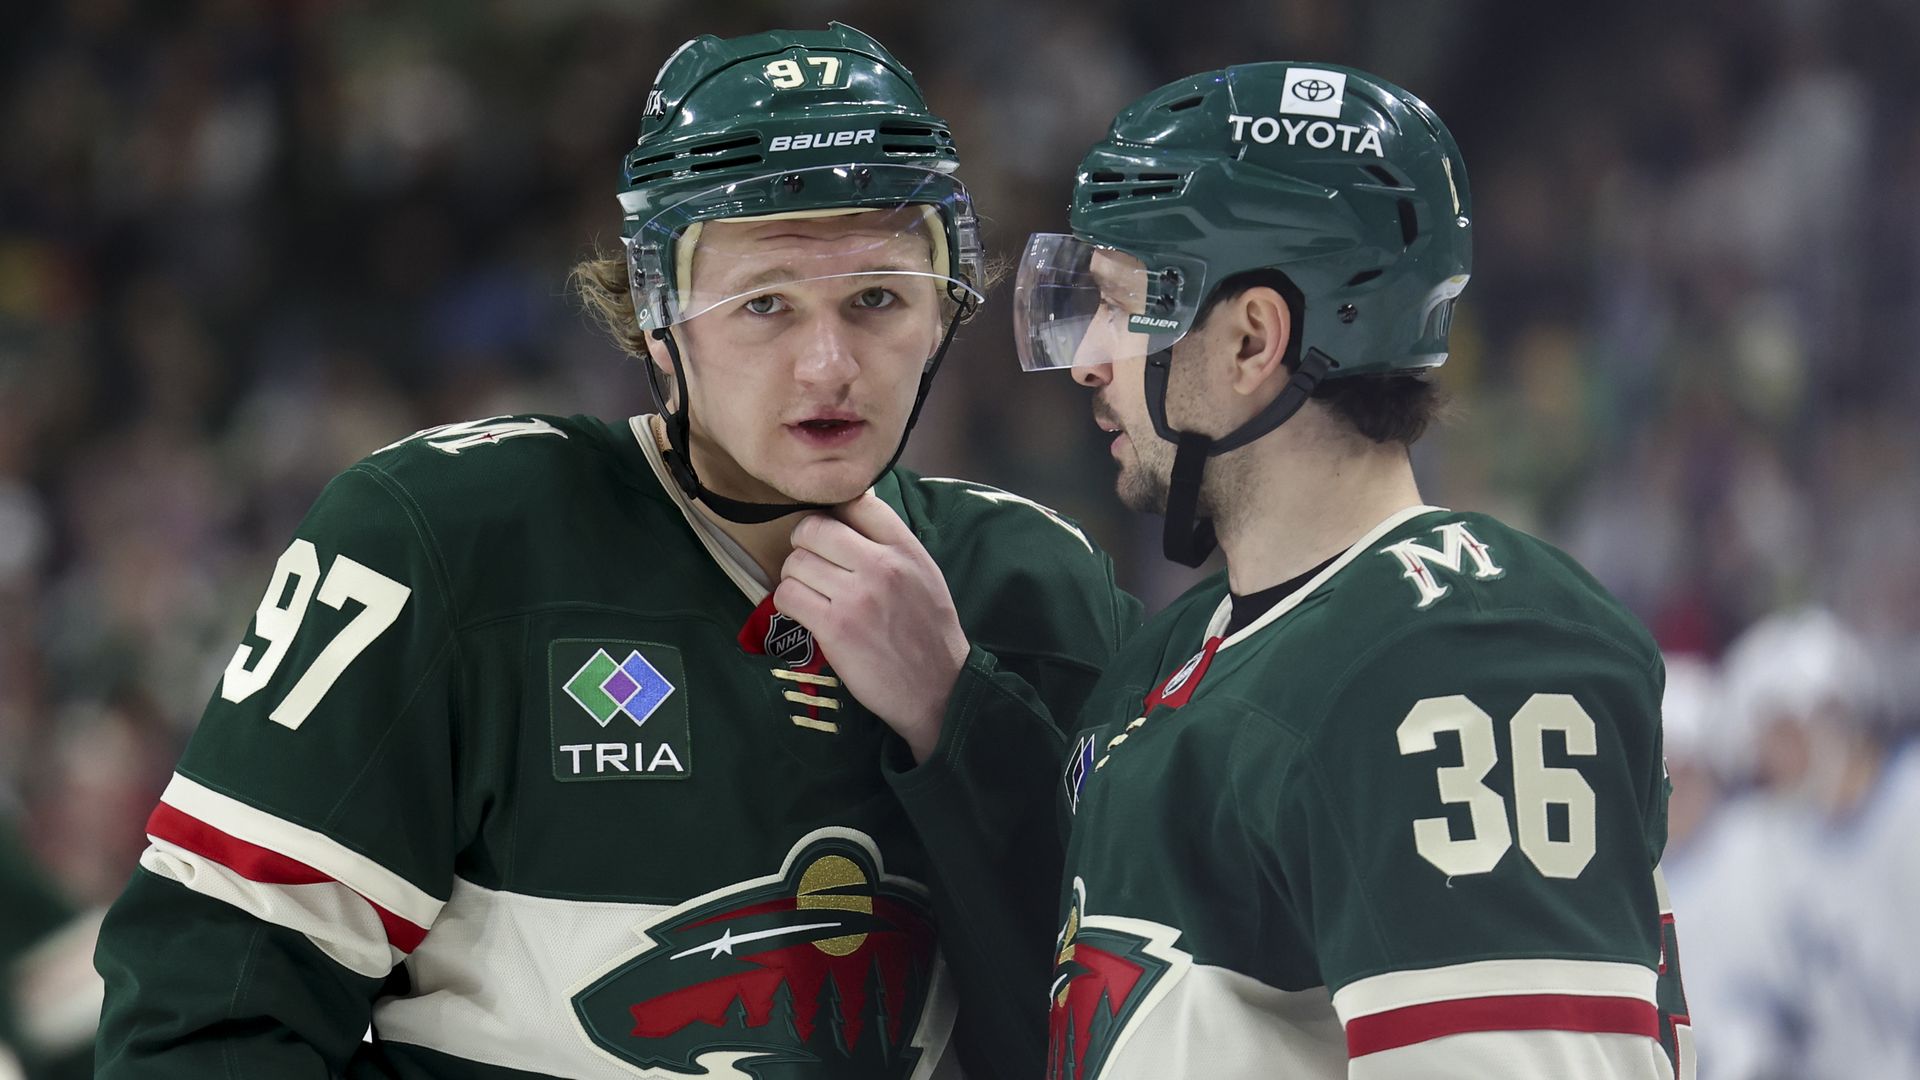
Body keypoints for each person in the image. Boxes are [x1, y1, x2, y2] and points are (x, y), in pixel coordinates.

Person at [93, 24, 1137, 1079]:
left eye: (876, 298)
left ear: (944, 305)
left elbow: (1118, 1047)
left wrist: (960, 719)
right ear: (654, 312)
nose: (831, 365)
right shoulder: (438, 539)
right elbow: (207, 1015)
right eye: (766, 303)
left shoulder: (1036, 587)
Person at [1006, 63, 1691, 1078]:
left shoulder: (1467, 651)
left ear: (1251, 339)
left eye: (1120, 306)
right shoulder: (1168, 656)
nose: (1088, 361)